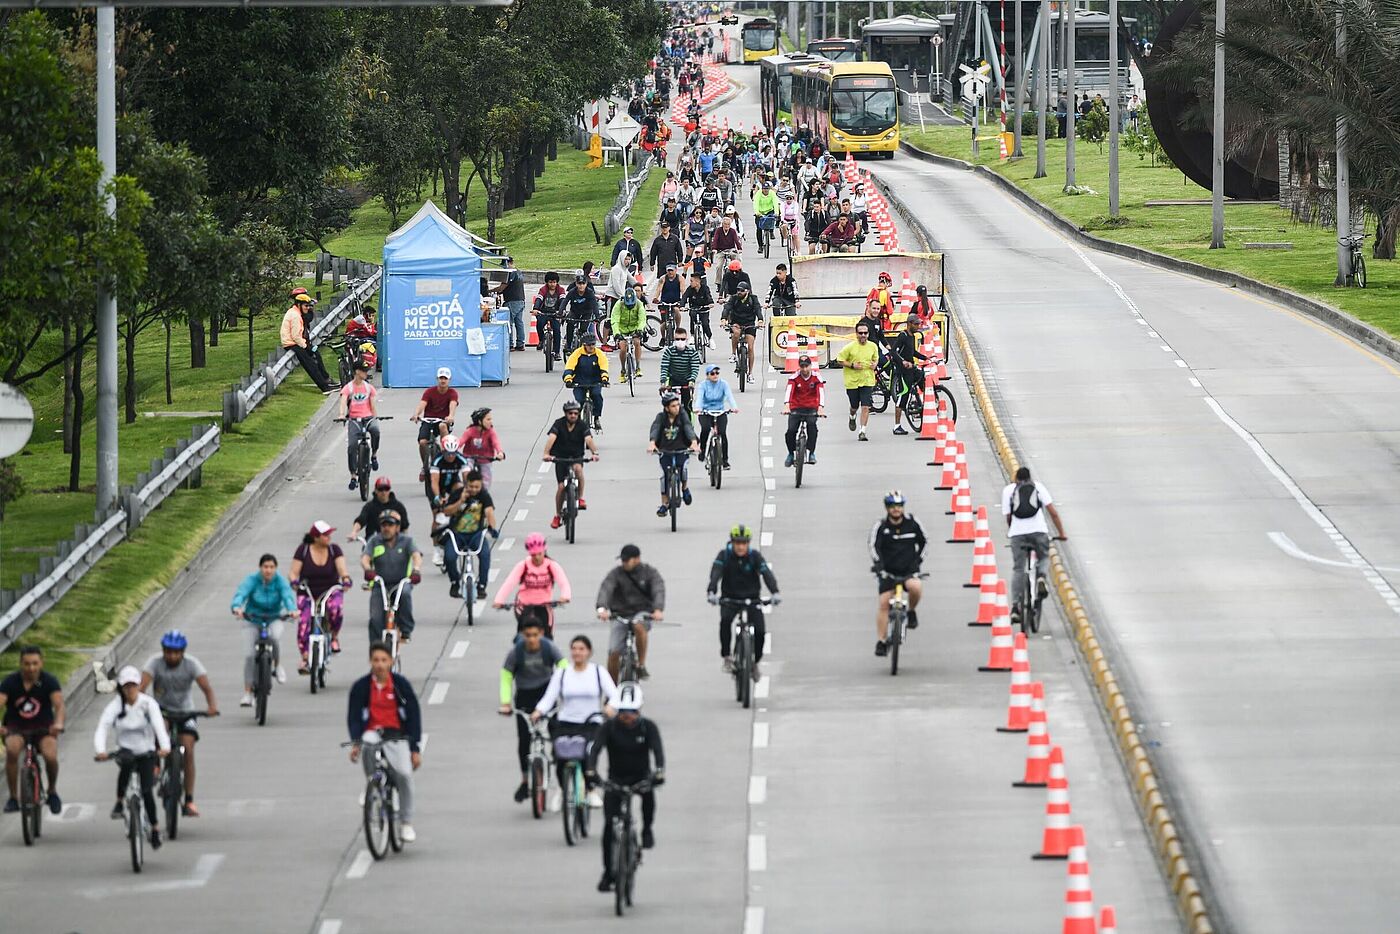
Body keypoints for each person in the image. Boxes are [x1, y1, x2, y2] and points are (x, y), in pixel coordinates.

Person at [586, 683, 665, 893]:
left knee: (648, 796)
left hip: (640, 778)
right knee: (608, 829)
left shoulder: (648, 727)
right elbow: (595, 750)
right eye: (622, 711)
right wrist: (592, 772)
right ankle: (607, 872)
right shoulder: (609, 727)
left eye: (632, 712)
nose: (627, 716)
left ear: (639, 710)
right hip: (616, 780)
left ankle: (647, 829)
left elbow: (658, 753)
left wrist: (659, 773)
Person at [347, 642, 423, 843]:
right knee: (368, 742)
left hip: (396, 735)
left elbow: (414, 716)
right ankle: (371, 781)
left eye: (384, 660)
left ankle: (406, 823)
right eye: (375, 660)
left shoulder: (401, 685)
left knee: (405, 776)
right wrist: (355, 743)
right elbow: (354, 717)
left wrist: (414, 749)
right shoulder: (361, 687)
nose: (380, 665)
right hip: (373, 732)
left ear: (391, 662)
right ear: (370, 662)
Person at [533, 634, 617, 810]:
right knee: (560, 756)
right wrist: (538, 711)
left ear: (589, 652)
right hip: (565, 722)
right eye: (574, 649)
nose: (577, 653)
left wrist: (610, 706)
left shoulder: (597, 672)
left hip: (591, 722)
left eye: (581, 649)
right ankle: (562, 792)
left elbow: (615, 695)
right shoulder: (562, 673)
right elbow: (549, 697)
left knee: (587, 754)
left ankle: (591, 790)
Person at [140, 631, 217, 817]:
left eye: (176, 652)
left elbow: (206, 687)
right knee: (161, 730)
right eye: (168, 652)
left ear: (183, 652)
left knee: (188, 750)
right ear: (163, 651)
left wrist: (211, 707)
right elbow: (141, 686)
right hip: (162, 709)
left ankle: (189, 800)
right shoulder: (154, 663)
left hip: (186, 712)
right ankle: (156, 764)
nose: (172, 656)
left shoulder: (192, 664)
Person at [94, 666, 170, 848]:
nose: (130, 690)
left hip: (146, 751)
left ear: (138, 686)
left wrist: (165, 747)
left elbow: (159, 725)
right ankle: (120, 801)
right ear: (121, 688)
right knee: (126, 765)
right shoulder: (115, 706)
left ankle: (155, 828)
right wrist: (100, 750)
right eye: (126, 687)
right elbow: (103, 727)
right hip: (125, 750)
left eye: (133, 686)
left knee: (146, 791)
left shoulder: (148, 704)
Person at [499, 617, 567, 802]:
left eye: (535, 635)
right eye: (527, 635)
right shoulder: (516, 653)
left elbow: (563, 667)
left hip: (547, 693)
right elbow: (506, 677)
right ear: (522, 635)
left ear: (542, 634)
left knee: (557, 736)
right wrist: (505, 703)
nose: (531, 639)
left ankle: (562, 777)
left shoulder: (548, 648)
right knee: (524, 741)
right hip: (524, 696)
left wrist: (565, 692)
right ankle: (524, 780)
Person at [706, 525, 780, 677]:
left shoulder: (755, 557)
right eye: (737, 543)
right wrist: (711, 592)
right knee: (725, 622)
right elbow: (715, 574)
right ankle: (727, 657)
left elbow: (766, 574)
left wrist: (775, 592)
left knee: (760, 632)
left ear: (748, 543)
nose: (740, 547)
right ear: (732, 543)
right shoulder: (724, 556)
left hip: (752, 600)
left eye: (744, 543)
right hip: (729, 599)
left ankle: (754, 663)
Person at [0, 646, 64, 814]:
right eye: (27, 664)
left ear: (41, 663)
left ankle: (52, 791)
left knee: (50, 756)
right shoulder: (10, 682)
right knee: (12, 751)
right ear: (21, 664)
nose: (31, 668)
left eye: (35, 663)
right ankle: (14, 797)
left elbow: (59, 705)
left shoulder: (49, 681)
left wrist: (58, 724)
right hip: (16, 728)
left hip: (44, 728)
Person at [1002, 466, 1068, 624]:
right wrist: (1061, 534)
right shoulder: (1038, 487)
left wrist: (1013, 531)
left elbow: (1009, 517)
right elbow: (1053, 513)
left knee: (1018, 568)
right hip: (1039, 532)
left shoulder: (1008, 490)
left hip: (1017, 535)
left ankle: (1016, 608)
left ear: (1016, 478)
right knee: (1044, 556)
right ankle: (1041, 577)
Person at [595, 544, 667, 682]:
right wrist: (602, 609)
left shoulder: (649, 573)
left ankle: (641, 664)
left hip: (642, 612)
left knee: (638, 626)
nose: (624, 563)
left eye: (627, 560)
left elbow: (658, 589)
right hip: (620, 614)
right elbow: (606, 589)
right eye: (622, 560)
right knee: (613, 652)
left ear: (637, 559)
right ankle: (612, 689)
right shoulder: (616, 573)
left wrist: (658, 610)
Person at [231, 554, 296, 705]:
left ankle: (277, 665)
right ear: (260, 568)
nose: (268, 570)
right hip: (252, 619)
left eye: (271, 567)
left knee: (274, 638)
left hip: (274, 618)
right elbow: (241, 594)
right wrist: (237, 607)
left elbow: (287, 596)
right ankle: (248, 693)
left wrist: (292, 610)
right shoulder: (252, 580)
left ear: (276, 568)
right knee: (249, 656)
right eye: (265, 567)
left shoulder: (280, 581)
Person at [869, 491, 927, 656]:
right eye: (893, 506)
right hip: (888, 572)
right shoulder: (880, 526)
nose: (896, 509)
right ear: (887, 508)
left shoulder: (913, 523)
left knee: (915, 587)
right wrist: (879, 565)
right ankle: (881, 641)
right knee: (884, 602)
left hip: (909, 570)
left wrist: (918, 561)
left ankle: (911, 611)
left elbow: (925, 542)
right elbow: (873, 546)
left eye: (899, 506)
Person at [291, 520, 352, 665]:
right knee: (304, 622)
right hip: (308, 592)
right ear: (315, 537)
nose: (329, 537)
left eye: (329, 534)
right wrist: (294, 582)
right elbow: (293, 572)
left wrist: (346, 579)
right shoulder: (303, 550)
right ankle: (305, 657)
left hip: (330, 590)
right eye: (325, 535)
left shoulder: (334, 550)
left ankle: (334, 637)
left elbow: (342, 570)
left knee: (335, 609)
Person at [360, 512, 423, 644]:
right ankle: (376, 648)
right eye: (383, 525)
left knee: (405, 594)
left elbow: (416, 555)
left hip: (400, 583)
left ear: (397, 528)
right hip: (380, 584)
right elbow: (365, 558)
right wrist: (368, 569)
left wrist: (416, 570)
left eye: (390, 525)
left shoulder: (407, 541)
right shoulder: (374, 540)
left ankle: (406, 630)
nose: (386, 528)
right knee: (375, 617)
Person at [494, 532, 572, 635]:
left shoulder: (551, 565)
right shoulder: (523, 566)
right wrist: (499, 600)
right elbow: (509, 583)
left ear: (544, 551)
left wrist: (565, 596)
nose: (537, 558)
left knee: (547, 636)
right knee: (522, 636)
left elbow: (564, 582)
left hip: (544, 605)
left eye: (540, 554)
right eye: (533, 555)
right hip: (524, 605)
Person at [440, 470, 497, 600]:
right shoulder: (457, 494)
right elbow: (447, 512)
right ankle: (455, 582)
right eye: (471, 486)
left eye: (477, 487)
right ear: (466, 484)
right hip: (457, 534)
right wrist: (461, 501)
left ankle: (481, 585)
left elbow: (489, 512)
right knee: (449, 557)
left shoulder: (484, 496)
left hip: (476, 535)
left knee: (485, 555)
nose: (474, 490)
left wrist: (492, 528)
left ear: (481, 485)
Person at [542, 400, 600, 528]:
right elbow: (552, 437)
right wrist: (546, 454)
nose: (573, 415)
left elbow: (588, 439)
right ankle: (557, 515)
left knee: (578, 469)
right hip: (560, 457)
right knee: (561, 487)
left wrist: (594, 453)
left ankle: (580, 498)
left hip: (576, 456)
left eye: (575, 413)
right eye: (570, 413)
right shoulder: (559, 423)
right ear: (565, 413)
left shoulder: (582, 425)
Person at [647, 392, 700, 517]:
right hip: (665, 450)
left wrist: (693, 442)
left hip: (681, 448)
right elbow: (655, 429)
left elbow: (688, 427)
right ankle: (664, 504)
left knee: (683, 470)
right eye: (673, 406)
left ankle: (684, 488)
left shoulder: (682, 416)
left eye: (677, 405)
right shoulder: (661, 417)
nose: (677, 408)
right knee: (665, 477)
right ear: (666, 408)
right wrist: (652, 443)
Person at [410, 367, 459, 481]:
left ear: (449, 380)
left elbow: (453, 405)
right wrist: (416, 414)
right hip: (428, 420)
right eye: (441, 378)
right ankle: (424, 466)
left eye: (445, 378)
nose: (443, 381)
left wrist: (451, 416)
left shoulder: (452, 393)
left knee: (442, 426)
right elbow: (422, 404)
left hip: (443, 421)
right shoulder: (430, 391)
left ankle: (444, 450)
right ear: (437, 379)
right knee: (422, 443)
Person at [337, 363, 380, 491]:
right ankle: (353, 475)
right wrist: (341, 414)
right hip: (354, 419)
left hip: (368, 418)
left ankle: (374, 455)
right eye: (363, 371)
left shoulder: (369, 388)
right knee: (352, 447)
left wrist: (375, 417)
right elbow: (343, 401)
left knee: (376, 431)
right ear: (357, 372)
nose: (366, 373)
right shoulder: (348, 388)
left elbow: (372, 406)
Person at [428, 435, 469, 565]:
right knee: (437, 516)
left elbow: (467, 478)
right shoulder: (437, 460)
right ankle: (436, 550)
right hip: (437, 486)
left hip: (452, 483)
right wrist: (437, 497)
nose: (451, 457)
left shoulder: (461, 459)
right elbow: (434, 482)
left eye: (453, 454)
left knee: (461, 488)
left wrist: (468, 495)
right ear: (443, 451)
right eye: (448, 454)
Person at [281, 292, 335, 392]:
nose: (307, 308)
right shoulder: (295, 315)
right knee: (310, 364)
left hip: (297, 342)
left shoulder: (297, 312)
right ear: (298, 305)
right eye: (306, 306)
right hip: (292, 344)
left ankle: (327, 380)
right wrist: (306, 347)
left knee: (316, 355)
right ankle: (324, 387)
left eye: (308, 306)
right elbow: (296, 336)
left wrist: (308, 347)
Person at [887, 314, 931, 436]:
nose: (918, 326)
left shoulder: (913, 336)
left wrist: (926, 357)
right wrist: (903, 362)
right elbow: (893, 352)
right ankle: (897, 426)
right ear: (909, 324)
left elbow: (913, 352)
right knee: (903, 396)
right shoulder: (903, 336)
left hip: (912, 368)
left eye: (919, 324)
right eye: (916, 324)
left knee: (923, 378)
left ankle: (918, 403)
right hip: (902, 370)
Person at [837, 322, 879, 441]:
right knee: (854, 406)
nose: (863, 335)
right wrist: (852, 365)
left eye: (865, 333)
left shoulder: (873, 346)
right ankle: (852, 416)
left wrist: (874, 364)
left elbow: (875, 359)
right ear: (856, 334)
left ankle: (862, 431)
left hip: (867, 380)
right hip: (852, 381)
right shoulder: (850, 347)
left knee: (866, 407)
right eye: (860, 333)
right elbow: (839, 360)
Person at [783, 353, 825, 467]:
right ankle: (791, 454)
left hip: (811, 407)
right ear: (799, 367)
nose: (805, 369)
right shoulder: (794, 378)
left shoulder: (816, 377)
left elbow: (820, 392)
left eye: (807, 366)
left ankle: (811, 452)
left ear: (810, 366)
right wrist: (787, 405)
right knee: (790, 431)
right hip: (796, 407)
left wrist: (820, 408)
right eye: (802, 366)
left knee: (812, 428)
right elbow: (789, 391)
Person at [564, 331, 611, 432]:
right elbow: (569, 367)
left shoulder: (599, 354)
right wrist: (568, 379)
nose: (591, 347)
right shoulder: (577, 353)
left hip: (595, 381)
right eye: (589, 345)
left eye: (593, 344)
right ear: (584, 345)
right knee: (579, 400)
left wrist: (604, 378)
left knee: (597, 395)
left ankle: (596, 418)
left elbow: (604, 366)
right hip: (579, 382)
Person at [696, 363, 738, 469]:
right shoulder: (702, 385)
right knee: (705, 429)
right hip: (706, 412)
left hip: (720, 411)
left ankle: (725, 461)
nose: (715, 375)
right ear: (707, 375)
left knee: (722, 433)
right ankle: (702, 450)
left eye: (717, 373)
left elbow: (729, 396)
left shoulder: (723, 384)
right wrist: (698, 409)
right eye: (712, 373)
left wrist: (734, 407)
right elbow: (699, 398)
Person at [722, 280, 763, 383]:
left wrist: (760, 320)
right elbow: (727, 308)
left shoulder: (753, 299)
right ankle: (733, 354)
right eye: (738, 290)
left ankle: (750, 373)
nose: (739, 292)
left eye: (741, 290)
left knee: (750, 347)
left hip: (749, 323)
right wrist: (723, 318)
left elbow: (758, 309)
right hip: (737, 322)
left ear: (747, 291)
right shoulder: (734, 298)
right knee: (735, 333)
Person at [350, 477, 411, 544]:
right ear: (376, 490)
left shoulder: (398, 507)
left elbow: (405, 527)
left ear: (389, 490)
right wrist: (354, 532)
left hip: (394, 545)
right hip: (372, 545)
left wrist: (405, 544)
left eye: (386, 489)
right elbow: (361, 520)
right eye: (380, 489)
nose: (383, 492)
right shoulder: (369, 507)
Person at [458, 407, 505, 488]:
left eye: (491, 419)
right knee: (467, 470)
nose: (491, 422)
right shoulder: (470, 431)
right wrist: (453, 448)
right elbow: (461, 442)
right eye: (488, 419)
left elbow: (496, 443)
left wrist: (500, 453)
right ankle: (467, 489)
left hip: (486, 458)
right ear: (479, 421)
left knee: (486, 479)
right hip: (469, 457)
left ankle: (483, 493)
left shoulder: (491, 431)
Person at [658, 325, 701, 413]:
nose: (680, 341)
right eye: (677, 339)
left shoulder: (692, 352)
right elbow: (664, 366)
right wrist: (663, 382)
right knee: (670, 404)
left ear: (686, 339)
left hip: (687, 381)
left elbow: (695, 367)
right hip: (673, 380)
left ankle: (688, 424)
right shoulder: (669, 351)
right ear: (674, 339)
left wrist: (692, 381)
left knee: (687, 405)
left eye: (682, 339)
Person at [610, 287, 647, 383]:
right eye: (628, 305)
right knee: (623, 348)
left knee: (637, 342)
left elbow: (642, 319)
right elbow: (614, 320)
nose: (630, 306)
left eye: (632, 305)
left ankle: (638, 367)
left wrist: (639, 330)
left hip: (634, 328)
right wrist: (616, 333)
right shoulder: (619, 304)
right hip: (622, 329)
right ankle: (623, 370)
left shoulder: (639, 304)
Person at [494, 256, 528, 351]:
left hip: (512, 301)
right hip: (521, 300)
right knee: (519, 322)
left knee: (509, 323)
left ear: (508, 263)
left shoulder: (509, 273)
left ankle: (510, 344)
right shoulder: (518, 271)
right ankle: (520, 344)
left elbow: (502, 288)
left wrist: (490, 291)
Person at [534, 271, 568, 358]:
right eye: (550, 282)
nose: (552, 284)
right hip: (544, 312)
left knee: (557, 330)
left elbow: (563, 301)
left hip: (555, 313)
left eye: (554, 282)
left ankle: (557, 352)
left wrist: (561, 310)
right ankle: (541, 340)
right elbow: (539, 299)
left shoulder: (560, 290)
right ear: (547, 282)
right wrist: (536, 309)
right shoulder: (543, 289)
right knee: (539, 324)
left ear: (557, 282)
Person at [682, 269, 715, 348]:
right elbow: (684, 297)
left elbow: (708, 296)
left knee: (705, 323)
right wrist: (681, 306)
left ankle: (710, 338)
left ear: (697, 282)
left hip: (704, 308)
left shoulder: (705, 288)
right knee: (692, 317)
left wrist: (710, 303)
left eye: (691, 281)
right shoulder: (690, 289)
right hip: (693, 308)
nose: (690, 283)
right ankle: (693, 335)